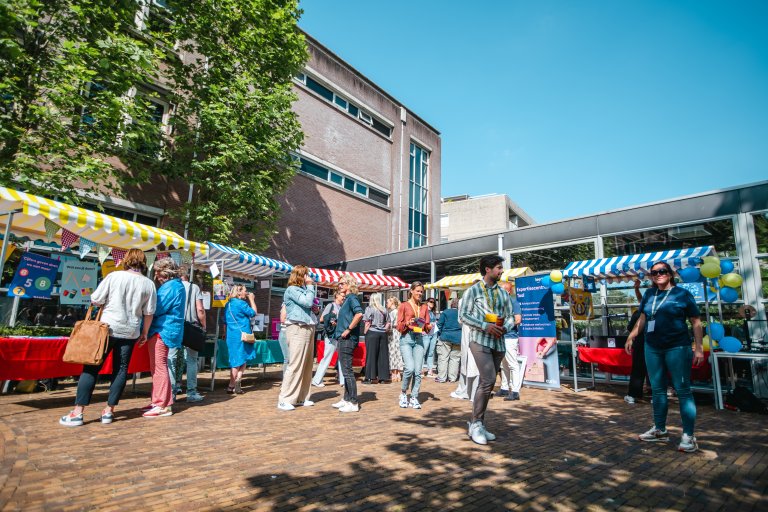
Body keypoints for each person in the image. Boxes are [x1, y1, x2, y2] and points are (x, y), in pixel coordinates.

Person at [59, 249, 156, 427]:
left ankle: (78, 412)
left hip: (107, 329)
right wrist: (144, 333)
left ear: (126, 260)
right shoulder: (149, 284)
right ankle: (109, 411)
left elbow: (95, 299)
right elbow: (148, 312)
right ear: (144, 262)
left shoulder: (114, 277)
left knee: (91, 367)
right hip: (130, 331)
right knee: (121, 369)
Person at [626, 261, 704, 453]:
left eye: (662, 271)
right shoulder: (650, 294)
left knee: (683, 390)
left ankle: (688, 436)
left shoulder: (682, 294)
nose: (658, 274)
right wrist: (632, 335)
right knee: (657, 390)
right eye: (654, 273)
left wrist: (699, 348)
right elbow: (643, 317)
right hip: (652, 347)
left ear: (670, 274)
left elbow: (696, 321)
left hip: (677, 347)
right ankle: (660, 430)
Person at [459, 255, 517, 445]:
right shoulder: (473, 291)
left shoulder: (503, 293)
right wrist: (485, 325)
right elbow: (464, 315)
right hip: (480, 340)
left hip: (499, 343)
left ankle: (480, 423)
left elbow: (510, 316)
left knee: (488, 384)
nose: (502, 271)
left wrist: (505, 328)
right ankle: (475, 423)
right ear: (488, 269)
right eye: (499, 268)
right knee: (488, 379)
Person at [143, 258, 186, 418]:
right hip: (166, 329)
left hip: (162, 330)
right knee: (157, 367)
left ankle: (163, 404)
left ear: (165, 272)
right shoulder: (176, 285)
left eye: (158, 272)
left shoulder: (170, 287)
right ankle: (158, 401)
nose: (156, 276)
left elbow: (157, 308)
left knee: (159, 367)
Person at [277, 265, 316, 411]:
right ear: (301, 276)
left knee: (306, 365)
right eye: (306, 274)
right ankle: (285, 398)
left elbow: (308, 305)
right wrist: (310, 286)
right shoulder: (292, 289)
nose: (309, 277)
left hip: (307, 327)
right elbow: (306, 302)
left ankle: (301, 397)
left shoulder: (304, 290)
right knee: (295, 364)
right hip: (297, 328)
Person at [168, 269, 207, 403]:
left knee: (172, 358)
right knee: (191, 360)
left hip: (174, 326)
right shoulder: (194, 287)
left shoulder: (170, 285)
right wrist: (204, 325)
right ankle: (191, 392)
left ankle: (172, 392)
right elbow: (200, 309)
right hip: (191, 326)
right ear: (186, 275)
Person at [331, 275, 364, 412]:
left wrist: (348, 329)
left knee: (347, 371)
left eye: (342, 283)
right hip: (343, 338)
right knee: (345, 371)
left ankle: (353, 402)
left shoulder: (352, 298)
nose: (339, 286)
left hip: (348, 339)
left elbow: (359, 314)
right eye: (339, 284)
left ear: (349, 284)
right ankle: (346, 399)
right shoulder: (347, 300)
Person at [396, 281, 431, 409]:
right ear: (411, 291)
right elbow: (398, 326)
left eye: (421, 292)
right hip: (406, 338)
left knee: (418, 371)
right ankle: (403, 393)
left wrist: (429, 326)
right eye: (417, 291)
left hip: (419, 339)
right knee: (409, 368)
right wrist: (407, 322)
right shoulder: (404, 305)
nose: (420, 293)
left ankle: (414, 396)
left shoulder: (424, 307)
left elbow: (426, 327)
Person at [224, 284, 257, 394]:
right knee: (240, 360)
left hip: (231, 335)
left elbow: (225, 322)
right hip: (243, 335)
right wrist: (251, 300)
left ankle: (235, 382)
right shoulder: (242, 304)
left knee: (236, 359)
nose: (246, 293)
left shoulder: (228, 304)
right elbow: (253, 313)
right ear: (239, 293)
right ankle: (233, 384)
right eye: (245, 291)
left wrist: (224, 334)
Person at [312, 290, 346, 387]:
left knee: (342, 358)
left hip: (339, 334)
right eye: (342, 295)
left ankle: (343, 380)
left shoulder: (341, 307)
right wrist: (332, 320)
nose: (344, 297)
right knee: (327, 357)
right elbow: (322, 319)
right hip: (331, 335)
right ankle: (316, 380)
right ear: (337, 295)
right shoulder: (330, 305)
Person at [497, 280, 524, 401]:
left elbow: (518, 319)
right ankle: (504, 388)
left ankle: (515, 391)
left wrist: (504, 326)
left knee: (512, 364)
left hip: (509, 337)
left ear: (507, 291)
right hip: (500, 337)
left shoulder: (514, 302)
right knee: (503, 364)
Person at [624, 279, 647, 405]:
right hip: (650, 343)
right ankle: (656, 394)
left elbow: (631, 328)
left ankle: (633, 394)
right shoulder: (645, 312)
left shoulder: (638, 314)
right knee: (655, 369)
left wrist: (630, 338)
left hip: (641, 344)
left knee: (638, 370)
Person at [362, 293, 390, 384]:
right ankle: (383, 377)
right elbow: (388, 322)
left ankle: (370, 377)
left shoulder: (369, 309)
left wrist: (365, 332)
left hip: (372, 332)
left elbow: (367, 322)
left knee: (371, 355)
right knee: (383, 356)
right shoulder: (384, 309)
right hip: (382, 333)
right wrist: (384, 329)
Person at [435, 299, 462, 383]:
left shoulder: (446, 312)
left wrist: (440, 334)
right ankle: (452, 378)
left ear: (451, 305)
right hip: (458, 338)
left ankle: (442, 378)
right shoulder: (461, 313)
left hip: (445, 337)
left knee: (443, 358)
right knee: (455, 359)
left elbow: (439, 325)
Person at [387, 297, 404, 382]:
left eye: (388, 302)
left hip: (393, 333)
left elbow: (389, 324)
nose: (387, 304)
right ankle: (398, 373)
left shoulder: (392, 313)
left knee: (392, 352)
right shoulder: (399, 312)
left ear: (392, 303)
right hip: (399, 333)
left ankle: (394, 373)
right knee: (398, 352)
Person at [422, 297, 439, 377]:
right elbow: (421, 321)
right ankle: (420, 369)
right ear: (427, 302)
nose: (432, 303)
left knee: (431, 352)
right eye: (430, 302)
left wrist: (435, 322)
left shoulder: (433, 312)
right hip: (426, 333)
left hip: (434, 332)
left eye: (433, 302)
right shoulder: (424, 310)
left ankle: (430, 369)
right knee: (423, 352)